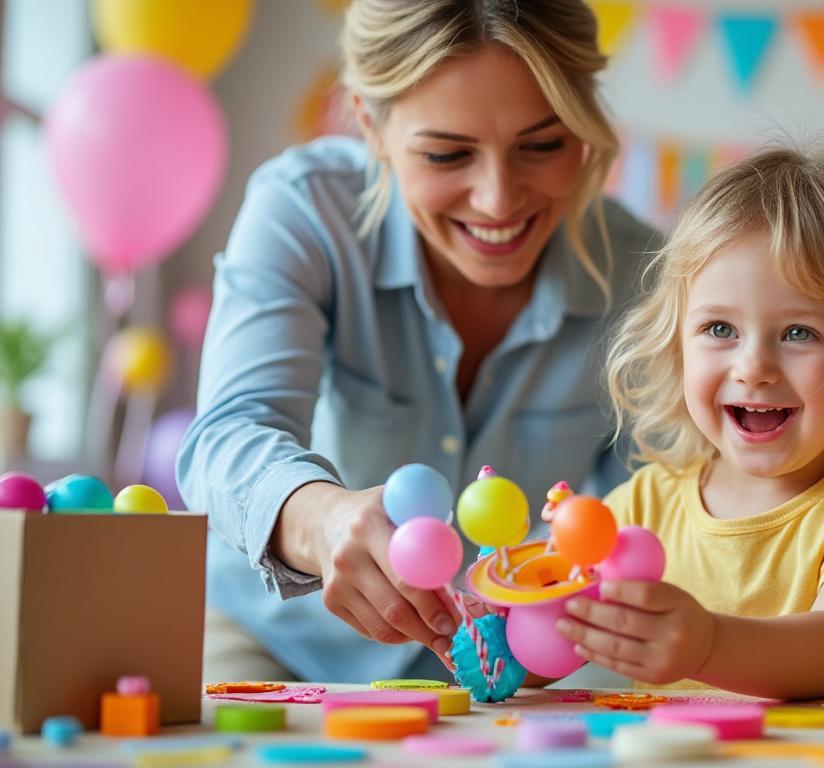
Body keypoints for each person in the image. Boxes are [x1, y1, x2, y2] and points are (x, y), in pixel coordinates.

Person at [177, 0, 658, 684]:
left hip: (516, 661)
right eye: (446, 153)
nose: (497, 200)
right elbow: (229, 434)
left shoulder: (642, 277)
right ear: (370, 125)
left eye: (542, 145)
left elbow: (656, 510)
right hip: (272, 638)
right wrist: (323, 520)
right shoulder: (305, 211)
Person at [556, 145, 824, 700]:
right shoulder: (641, 505)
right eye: (720, 329)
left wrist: (704, 645)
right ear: (678, 348)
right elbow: (559, 640)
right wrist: (510, 622)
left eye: (799, 332)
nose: (753, 368)